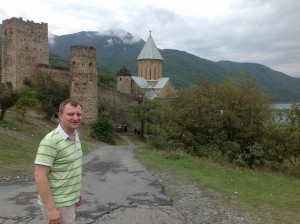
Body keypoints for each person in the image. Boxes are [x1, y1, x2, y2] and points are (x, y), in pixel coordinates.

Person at [34, 99, 83, 224]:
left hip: (69, 200)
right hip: (58, 204)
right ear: (60, 115)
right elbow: (40, 176)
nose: (75, 118)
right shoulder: (51, 141)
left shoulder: (75, 135)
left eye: (79, 114)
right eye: (71, 114)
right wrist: (51, 209)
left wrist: (75, 193)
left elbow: (70, 167)